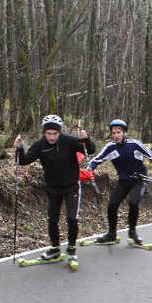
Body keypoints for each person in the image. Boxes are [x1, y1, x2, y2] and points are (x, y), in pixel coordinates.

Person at [14, 114, 96, 266]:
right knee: (52, 219)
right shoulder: (39, 145)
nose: (51, 137)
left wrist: (86, 139)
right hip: (53, 187)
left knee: (72, 218)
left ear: (60, 132)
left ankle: (71, 248)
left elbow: (90, 150)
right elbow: (23, 161)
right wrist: (19, 148)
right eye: (48, 133)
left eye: (55, 133)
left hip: (72, 186)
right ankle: (55, 248)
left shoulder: (70, 141)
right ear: (44, 133)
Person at [88, 119, 152, 244]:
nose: (116, 136)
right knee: (112, 204)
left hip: (139, 179)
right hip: (123, 181)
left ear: (124, 132)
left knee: (133, 203)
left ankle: (132, 232)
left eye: (118, 132)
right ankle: (111, 233)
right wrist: (89, 170)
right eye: (113, 133)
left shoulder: (135, 144)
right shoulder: (110, 147)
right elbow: (95, 160)